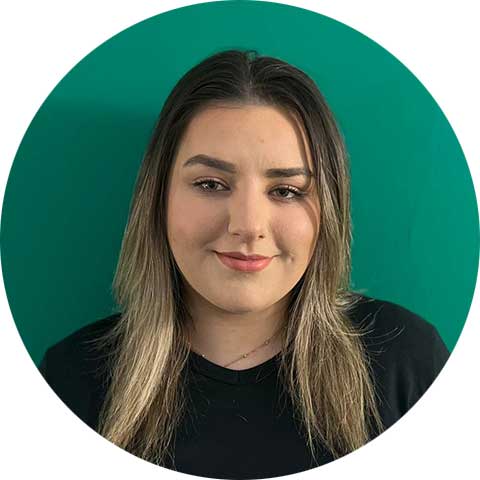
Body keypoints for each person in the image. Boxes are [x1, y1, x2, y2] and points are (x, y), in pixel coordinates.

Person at [38, 49, 450, 480]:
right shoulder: (71, 381)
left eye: (286, 190)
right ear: (158, 199)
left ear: (329, 209)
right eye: (210, 184)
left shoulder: (407, 363)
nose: (248, 226)